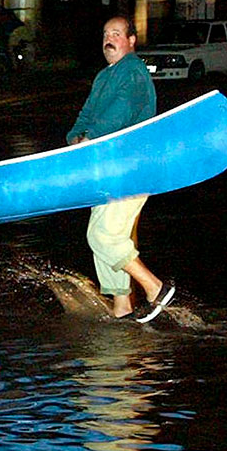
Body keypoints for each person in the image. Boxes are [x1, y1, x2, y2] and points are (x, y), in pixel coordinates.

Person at [67, 17, 176, 323]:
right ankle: (122, 307)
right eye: (105, 34)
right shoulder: (104, 77)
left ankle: (155, 287)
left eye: (116, 33)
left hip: (131, 167)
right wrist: (74, 138)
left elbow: (120, 113)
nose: (109, 39)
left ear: (131, 40)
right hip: (106, 168)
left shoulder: (133, 71)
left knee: (103, 235)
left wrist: (88, 138)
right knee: (100, 234)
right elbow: (85, 114)